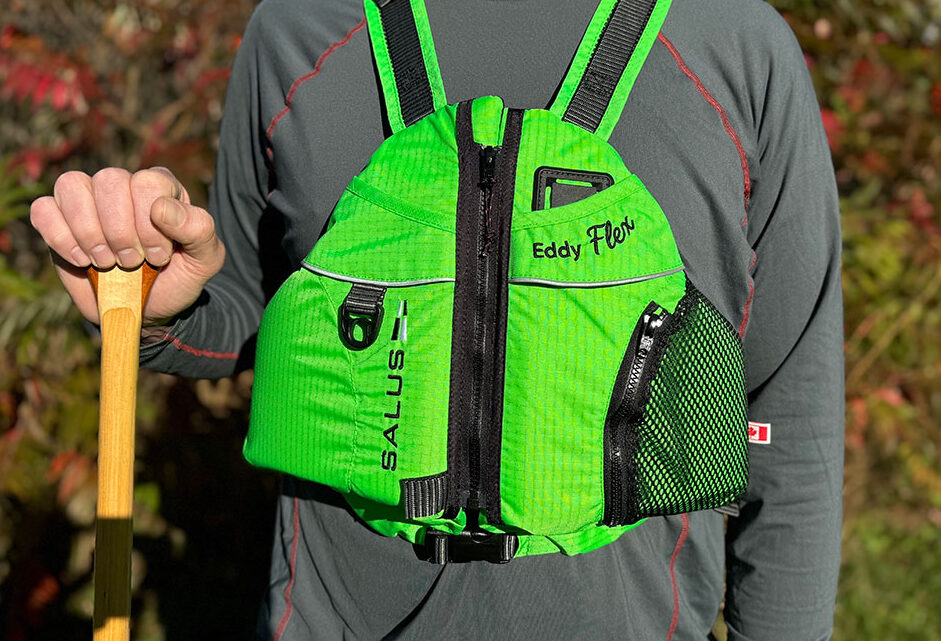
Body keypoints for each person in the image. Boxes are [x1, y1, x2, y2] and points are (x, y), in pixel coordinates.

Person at [29, 0, 844, 639]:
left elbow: (785, 421)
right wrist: (154, 304)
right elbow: (255, 312)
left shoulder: (733, 43)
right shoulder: (298, 29)